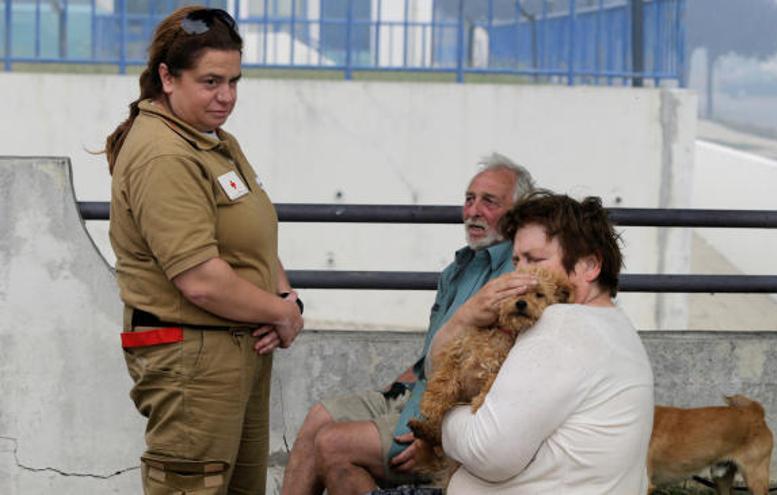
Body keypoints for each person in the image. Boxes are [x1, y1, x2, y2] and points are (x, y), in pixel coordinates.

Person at [105, 6, 304, 494]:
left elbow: (251, 232)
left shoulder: (211, 139)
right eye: (211, 81)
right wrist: (282, 315)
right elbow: (200, 279)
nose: (227, 96)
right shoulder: (164, 154)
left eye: (235, 81)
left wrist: (285, 298)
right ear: (167, 78)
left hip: (235, 349)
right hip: (191, 360)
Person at [281, 154, 535, 494]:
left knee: (333, 445)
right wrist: (397, 391)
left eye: (489, 202)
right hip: (415, 393)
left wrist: (435, 435)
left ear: (517, 213)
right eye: (469, 199)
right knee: (319, 418)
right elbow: (427, 355)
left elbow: (494, 376)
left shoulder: (515, 279)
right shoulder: (457, 269)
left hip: (445, 416)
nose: (473, 211)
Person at [438, 192, 655, 494]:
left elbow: (489, 453)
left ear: (588, 266)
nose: (520, 275)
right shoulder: (615, 325)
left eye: (535, 260)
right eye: (516, 261)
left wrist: (446, 416)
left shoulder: (563, 324)